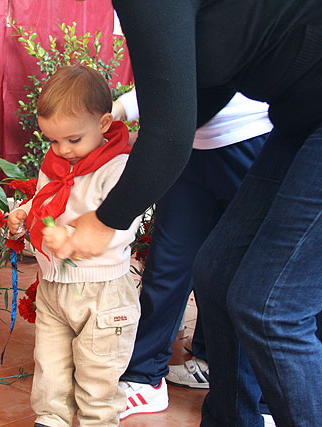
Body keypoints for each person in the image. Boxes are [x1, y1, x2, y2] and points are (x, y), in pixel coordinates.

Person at [54, 2, 322, 426]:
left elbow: (168, 134)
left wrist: (106, 219)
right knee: (216, 273)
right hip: (300, 120)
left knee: (271, 308)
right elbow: (205, 89)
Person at [111, 90, 271, 418]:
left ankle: (261, 400)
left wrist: (124, 106)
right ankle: (144, 377)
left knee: (244, 278)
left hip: (250, 138)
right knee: (168, 263)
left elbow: (199, 64)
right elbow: (170, 63)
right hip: (187, 146)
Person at [7, 64, 142, 427]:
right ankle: (51, 419)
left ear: (102, 124)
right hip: (54, 288)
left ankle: (97, 421)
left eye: (73, 140)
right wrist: (25, 215)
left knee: (98, 373)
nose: (62, 150)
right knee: (49, 366)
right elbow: (47, 202)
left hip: (102, 291)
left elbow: (122, 227)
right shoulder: (55, 165)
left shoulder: (116, 170)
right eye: (53, 141)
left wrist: (71, 239)